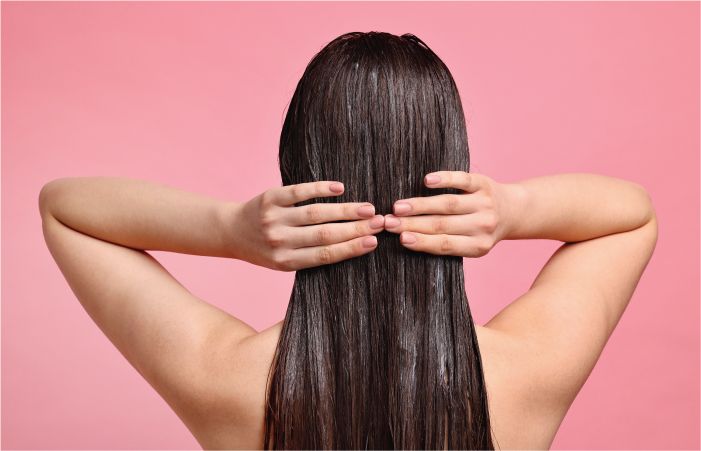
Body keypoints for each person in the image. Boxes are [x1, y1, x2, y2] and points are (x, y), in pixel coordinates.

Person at [38, 31, 658, 450]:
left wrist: (230, 230)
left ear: (296, 167)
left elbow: (65, 208)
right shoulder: (526, 372)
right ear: (452, 162)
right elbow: (632, 214)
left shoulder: (227, 379)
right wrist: (517, 210)